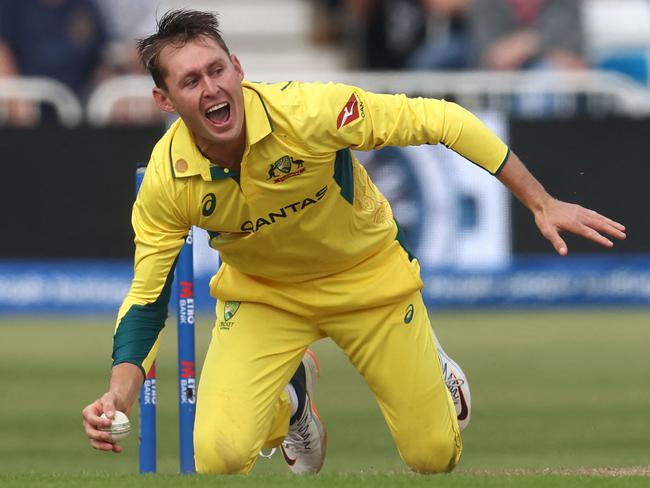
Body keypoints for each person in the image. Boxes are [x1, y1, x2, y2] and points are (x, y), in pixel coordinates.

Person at [81, 9, 626, 475]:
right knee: (218, 457)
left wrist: (540, 202)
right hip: (264, 296)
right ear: (164, 99)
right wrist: (118, 395)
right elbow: (148, 299)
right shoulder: (166, 178)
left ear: (238, 68)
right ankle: (292, 401)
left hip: (370, 280)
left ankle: (434, 368)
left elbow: (444, 120)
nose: (212, 88)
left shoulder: (312, 113)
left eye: (217, 69)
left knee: (433, 457)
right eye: (191, 81)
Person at [0, 0, 108, 125]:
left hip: (79, 109)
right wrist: (15, 97)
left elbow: (102, 58)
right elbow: (2, 51)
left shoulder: (85, 6)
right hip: (28, 105)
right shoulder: (11, 6)